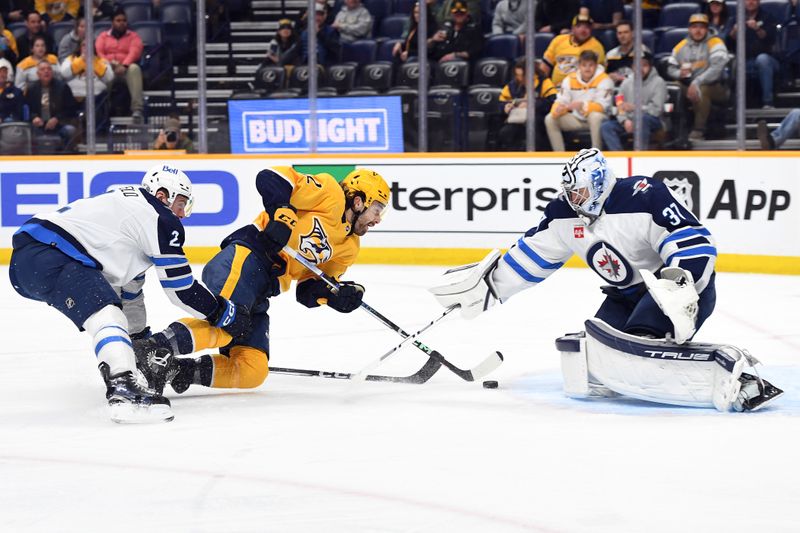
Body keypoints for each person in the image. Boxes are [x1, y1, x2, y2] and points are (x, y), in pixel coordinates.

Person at [429, 148, 782, 412]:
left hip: (674, 289)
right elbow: (530, 258)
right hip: (622, 295)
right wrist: (488, 288)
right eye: (570, 192)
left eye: (579, 192)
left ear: (598, 182)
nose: (573, 199)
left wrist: (679, 284)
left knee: (643, 335)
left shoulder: (645, 194)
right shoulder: (563, 214)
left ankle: (743, 382)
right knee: (594, 346)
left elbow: (693, 240)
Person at [8, 164, 249, 423]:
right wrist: (224, 313)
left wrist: (139, 344)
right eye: (180, 203)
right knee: (107, 314)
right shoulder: (159, 218)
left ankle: (123, 371)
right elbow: (182, 290)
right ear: (162, 195)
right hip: (52, 254)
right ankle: (123, 388)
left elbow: (131, 294)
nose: (182, 214)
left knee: (111, 310)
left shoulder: (128, 216)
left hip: (33, 260)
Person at [133, 167, 391, 396]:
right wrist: (282, 215)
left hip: (264, 288)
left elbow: (307, 290)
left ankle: (174, 370)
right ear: (358, 201)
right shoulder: (330, 193)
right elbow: (271, 177)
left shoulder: (349, 248)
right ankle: (150, 348)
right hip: (246, 258)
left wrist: (335, 296)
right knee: (229, 324)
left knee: (251, 369)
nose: (378, 219)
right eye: (377, 209)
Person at [666, 13, 728, 141]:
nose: (698, 30)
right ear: (689, 29)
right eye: (694, 27)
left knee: (702, 90)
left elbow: (716, 69)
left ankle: (699, 129)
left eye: (701, 27)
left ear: (706, 29)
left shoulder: (716, 43)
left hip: (716, 86)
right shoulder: (681, 46)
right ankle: (675, 129)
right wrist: (679, 74)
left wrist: (697, 82)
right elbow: (670, 67)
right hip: (688, 83)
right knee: (674, 88)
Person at [545, 50, 613, 152]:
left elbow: (602, 106)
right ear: (579, 66)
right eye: (584, 65)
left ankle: (596, 154)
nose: (587, 68)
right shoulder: (569, 80)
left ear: (596, 66)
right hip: (576, 118)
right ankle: (559, 156)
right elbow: (561, 99)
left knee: (595, 116)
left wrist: (582, 105)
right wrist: (558, 109)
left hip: (600, 118)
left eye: (591, 65)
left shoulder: (604, 79)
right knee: (550, 118)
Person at [601, 51, 666, 151]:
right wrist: (624, 120)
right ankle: (619, 158)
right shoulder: (626, 82)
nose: (640, 69)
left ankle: (640, 154)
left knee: (642, 119)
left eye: (644, 65)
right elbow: (619, 104)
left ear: (650, 67)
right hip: (629, 119)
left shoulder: (659, 82)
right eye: (637, 65)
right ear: (632, 67)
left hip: (652, 120)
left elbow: (657, 110)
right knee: (606, 127)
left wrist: (636, 107)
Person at [727, 0, 779, 109]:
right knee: (733, 62)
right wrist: (734, 32)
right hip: (744, 60)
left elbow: (772, 40)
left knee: (762, 59)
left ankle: (768, 102)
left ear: (759, 1)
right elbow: (727, 44)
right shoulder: (735, 19)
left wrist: (757, 29)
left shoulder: (768, 17)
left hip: (768, 61)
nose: (750, 2)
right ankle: (734, 105)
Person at [94, 8, 144, 122]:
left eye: (124, 20)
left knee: (135, 68)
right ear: (112, 22)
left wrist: (124, 65)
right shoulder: (103, 36)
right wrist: (111, 64)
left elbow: (135, 51)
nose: (121, 23)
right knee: (101, 69)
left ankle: (137, 110)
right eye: (118, 20)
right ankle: (103, 109)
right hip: (109, 68)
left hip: (126, 70)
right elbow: (99, 53)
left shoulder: (133, 36)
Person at [497, 57, 557, 151]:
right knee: (506, 132)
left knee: (535, 129)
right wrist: (506, 106)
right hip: (517, 119)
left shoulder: (544, 82)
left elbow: (552, 102)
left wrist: (533, 104)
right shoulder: (512, 85)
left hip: (538, 119)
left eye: (522, 75)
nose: (520, 78)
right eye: (517, 75)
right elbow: (501, 101)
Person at [541, 13, 606, 88]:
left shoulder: (596, 46)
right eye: (579, 26)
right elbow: (545, 66)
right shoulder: (559, 40)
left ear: (591, 30)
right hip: (555, 88)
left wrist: (568, 84)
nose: (583, 30)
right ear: (572, 28)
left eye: (587, 27)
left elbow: (596, 75)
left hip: (580, 89)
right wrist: (544, 86)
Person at [24, 60, 77, 151]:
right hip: (38, 126)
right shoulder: (31, 89)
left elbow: (71, 109)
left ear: (52, 72)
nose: (46, 71)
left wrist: (57, 118)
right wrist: (34, 117)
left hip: (59, 125)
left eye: (49, 69)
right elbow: (26, 109)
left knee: (70, 130)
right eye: (43, 69)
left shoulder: (63, 87)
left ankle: (66, 157)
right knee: (25, 132)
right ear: (38, 74)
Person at [605, 20, 650, 85]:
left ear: (633, 33)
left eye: (626, 32)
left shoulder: (643, 52)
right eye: (619, 33)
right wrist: (609, 76)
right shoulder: (610, 55)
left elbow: (647, 76)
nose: (622, 36)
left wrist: (623, 78)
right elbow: (603, 76)